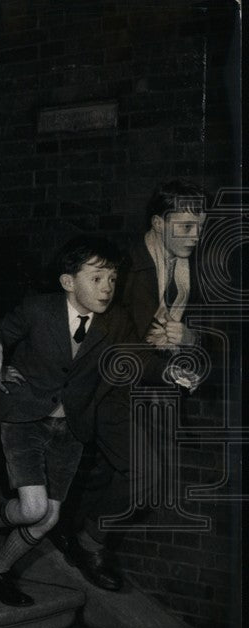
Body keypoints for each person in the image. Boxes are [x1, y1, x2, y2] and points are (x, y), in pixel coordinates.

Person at [0, 236, 166, 606]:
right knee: (34, 508)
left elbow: (140, 360)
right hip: (25, 418)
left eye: (112, 280)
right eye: (97, 278)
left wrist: (174, 371)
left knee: (48, 518)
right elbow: (0, 330)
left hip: (70, 429)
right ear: (69, 282)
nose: (107, 288)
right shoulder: (39, 309)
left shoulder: (115, 321)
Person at [54, 181, 208, 590]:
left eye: (200, 226)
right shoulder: (118, 265)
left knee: (115, 477)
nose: (195, 236)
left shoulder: (190, 269)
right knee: (144, 475)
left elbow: (212, 332)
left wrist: (188, 342)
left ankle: (69, 535)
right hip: (110, 389)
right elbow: (101, 333)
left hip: (153, 392)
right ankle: (86, 542)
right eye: (185, 226)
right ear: (158, 223)